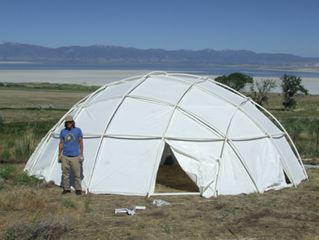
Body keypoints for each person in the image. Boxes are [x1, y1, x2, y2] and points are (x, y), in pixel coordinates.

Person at [58, 115, 84, 195]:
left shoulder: (78, 130)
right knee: (65, 174)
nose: (69, 123)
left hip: (75, 156)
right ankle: (66, 189)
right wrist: (59, 154)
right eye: (67, 122)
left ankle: (78, 189)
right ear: (65, 123)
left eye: (70, 122)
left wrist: (81, 154)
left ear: (73, 122)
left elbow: (81, 142)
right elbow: (61, 143)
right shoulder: (63, 131)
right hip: (65, 156)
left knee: (77, 174)